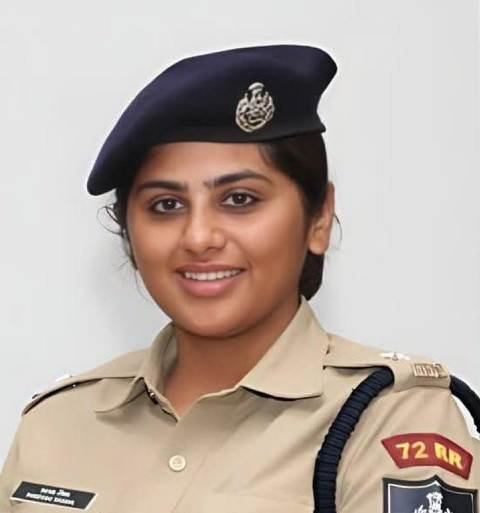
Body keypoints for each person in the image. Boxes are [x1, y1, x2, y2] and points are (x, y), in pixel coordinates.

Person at [0, 44, 478, 513]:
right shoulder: (57, 423)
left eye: (240, 200)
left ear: (318, 217)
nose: (199, 237)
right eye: (165, 205)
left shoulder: (389, 419)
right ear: (129, 232)